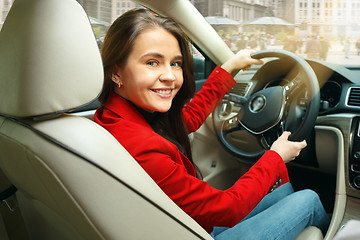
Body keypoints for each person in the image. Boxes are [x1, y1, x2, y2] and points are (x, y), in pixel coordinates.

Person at [94, 8, 330, 239]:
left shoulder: (117, 117)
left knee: (284, 191)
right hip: (194, 231)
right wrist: (275, 157)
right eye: (152, 63)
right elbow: (228, 208)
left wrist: (228, 68)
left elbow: (189, 119)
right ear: (116, 72)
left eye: (175, 63)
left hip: (189, 227)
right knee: (308, 199)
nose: (170, 76)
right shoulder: (143, 147)